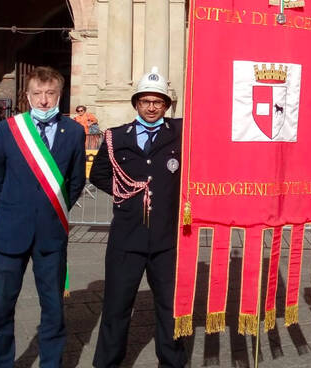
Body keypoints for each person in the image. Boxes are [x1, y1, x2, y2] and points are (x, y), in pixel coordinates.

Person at [0, 66, 86, 367]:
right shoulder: (8, 130)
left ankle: (51, 363)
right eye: (37, 94)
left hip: (51, 234)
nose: (44, 100)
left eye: (50, 93)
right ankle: (2, 362)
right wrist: (18, 208)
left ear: (60, 95)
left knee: (53, 307)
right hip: (10, 233)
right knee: (3, 306)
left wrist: (48, 209)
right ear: (27, 96)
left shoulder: (75, 132)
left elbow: (76, 181)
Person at [89, 66, 187, 367]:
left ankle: (172, 362)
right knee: (116, 308)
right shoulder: (115, 137)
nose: (152, 107)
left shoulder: (181, 133)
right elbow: (99, 175)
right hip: (126, 239)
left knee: (171, 310)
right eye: (146, 101)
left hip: (167, 239)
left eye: (158, 102)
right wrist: (126, 194)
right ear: (136, 104)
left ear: (167, 106)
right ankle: (107, 363)